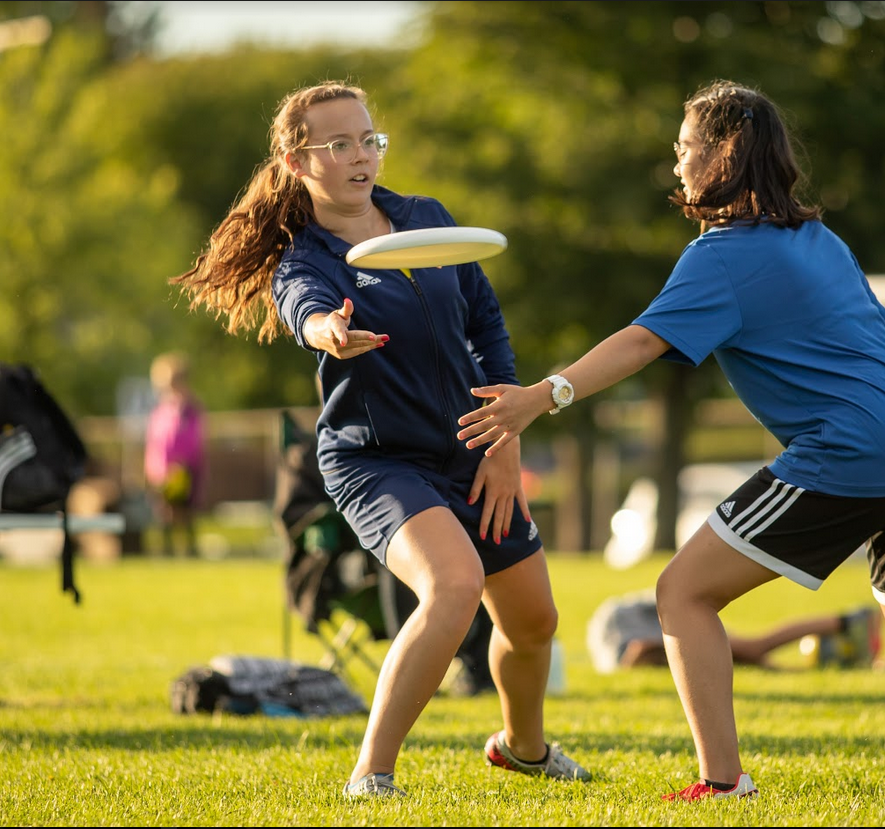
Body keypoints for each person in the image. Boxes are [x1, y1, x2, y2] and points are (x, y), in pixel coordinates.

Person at [456, 79, 885, 801]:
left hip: (854, 449)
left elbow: (643, 341)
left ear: (724, 155)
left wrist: (542, 394)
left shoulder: (719, 255)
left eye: (684, 148)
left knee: (681, 593)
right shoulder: (819, 240)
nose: (675, 163)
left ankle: (721, 781)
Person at [170, 81, 590, 798]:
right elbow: (303, 308)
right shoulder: (306, 258)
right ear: (299, 161)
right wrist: (328, 331)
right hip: (377, 460)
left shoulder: (424, 220)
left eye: (369, 139)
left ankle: (523, 748)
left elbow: (484, 321)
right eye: (339, 145)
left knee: (532, 621)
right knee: (453, 586)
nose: (361, 155)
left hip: (474, 444)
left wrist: (505, 434)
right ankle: (371, 773)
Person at [587, 589, 883, 673]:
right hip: (631, 633)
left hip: (636, 618)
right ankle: (846, 640)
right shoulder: (630, 653)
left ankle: (849, 621)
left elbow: (639, 649)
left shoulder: (630, 640)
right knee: (751, 657)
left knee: (754, 649)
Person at [144, 351, 206, 557]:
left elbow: (193, 438)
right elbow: (155, 442)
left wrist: (182, 463)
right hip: (161, 471)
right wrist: (153, 468)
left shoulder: (189, 409)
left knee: (184, 512)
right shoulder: (161, 410)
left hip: (184, 469)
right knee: (164, 513)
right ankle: (166, 552)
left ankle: (190, 550)